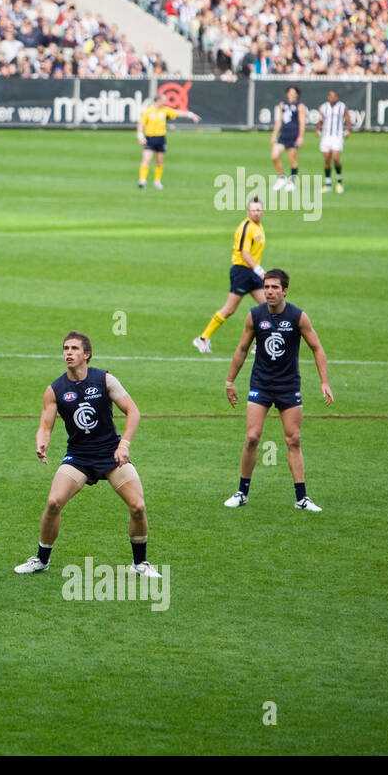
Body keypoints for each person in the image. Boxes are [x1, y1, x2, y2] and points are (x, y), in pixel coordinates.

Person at [14, 333, 160, 578]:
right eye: (65, 348)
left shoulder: (105, 379)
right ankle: (41, 559)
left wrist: (123, 445)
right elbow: (45, 425)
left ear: (86, 354)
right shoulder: (55, 389)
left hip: (110, 454)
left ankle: (140, 564)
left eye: (73, 349)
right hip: (79, 457)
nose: (68, 353)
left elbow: (133, 412)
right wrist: (42, 443)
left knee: (137, 506)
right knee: (53, 503)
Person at [222, 269, 333, 511]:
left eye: (274, 288)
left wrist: (324, 382)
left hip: (288, 385)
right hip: (260, 384)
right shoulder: (254, 316)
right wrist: (230, 381)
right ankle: (242, 492)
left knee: (293, 439)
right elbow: (241, 349)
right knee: (252, 437)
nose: (269, 291)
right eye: (266, 287)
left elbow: (317, 347)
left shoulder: (298, 317)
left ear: (284, 291)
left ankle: (302, 498)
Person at [193, 197, 267, 353]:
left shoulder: (258, 226)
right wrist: (259, 270)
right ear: (248, 211)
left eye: (258, 210)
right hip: (242, 271)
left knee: (268, 307)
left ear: (263, 211)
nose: (256, 213)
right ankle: (203, 338)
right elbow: (244, 252)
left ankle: (261, 343)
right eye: (253, 210)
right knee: (230, 309)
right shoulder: (246, 227)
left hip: (251, 272)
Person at [136, 91, 200, 189]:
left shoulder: (165, 110)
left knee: (159, 161)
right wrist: (140, 136)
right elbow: (141, 124)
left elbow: (178, 113)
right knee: (146, 159)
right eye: (163, 100)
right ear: (158, 100)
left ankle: (157, 181)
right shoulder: (148, 111)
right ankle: (142, 180)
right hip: (150, 138)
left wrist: (191, 115)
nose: (165, 102)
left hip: (161, 138)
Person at [271, 85, 306, 191]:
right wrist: (274, 134)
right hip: (283, 136)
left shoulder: (300, 106)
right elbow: (279, 121)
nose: (291, 95)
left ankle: (292, 182)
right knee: (274, 156)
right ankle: (281, 177)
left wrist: (300, 137)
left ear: (297, 95)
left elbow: (302, 122)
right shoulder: (282, 105)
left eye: (294, 93)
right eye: (290, 93)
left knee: (292, 160)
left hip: (293, 136)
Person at [317, 90, 350, 193]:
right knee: (327, 160)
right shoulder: (323, 107)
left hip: (337, 136)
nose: (332, 98)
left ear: (337, 97)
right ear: (328, 97)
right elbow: (320, 121)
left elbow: (348, 120)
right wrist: (317, 129)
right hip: (326, 137)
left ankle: (339, 182)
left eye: (334, 96)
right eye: (330, 96)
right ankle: (328, 184)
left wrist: (347, 130)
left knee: (335, 158)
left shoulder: (342, 107)